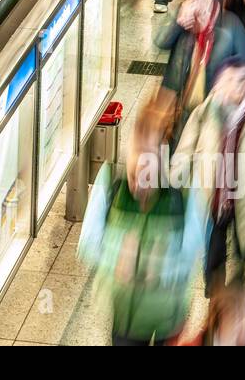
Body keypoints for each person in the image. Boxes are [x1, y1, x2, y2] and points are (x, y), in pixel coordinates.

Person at [78, 112, 206, 346]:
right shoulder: (110, 185)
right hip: (125, 320)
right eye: (135, 153)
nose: (139, 168)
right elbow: (88, 243)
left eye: (148, 156)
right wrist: (117, 261)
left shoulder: (183, 195)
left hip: (167, 319)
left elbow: (192, 254)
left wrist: (158, 267)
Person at [173, 57, 245, 295]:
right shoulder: (206, 112)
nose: (230, 87)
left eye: (236, 81)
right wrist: (172, 181)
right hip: (215, 198)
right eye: (225, 81)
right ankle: (215, 295)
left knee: (243, 246)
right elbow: (186, 149)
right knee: (214, 251)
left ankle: (239, 283)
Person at [156, 0, 245, 134]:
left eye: (202, 2)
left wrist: (229, 87)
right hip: (180, 109)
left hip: (214, 112)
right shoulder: (184, 24)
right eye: (193, 4)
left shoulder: (230, 25)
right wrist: (177, 20)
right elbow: (160, 42)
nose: (199, 10)